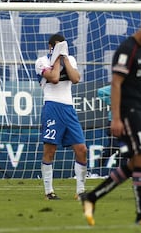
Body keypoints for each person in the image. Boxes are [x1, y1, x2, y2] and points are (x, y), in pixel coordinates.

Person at [80, 13, 141, 227]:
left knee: (137, 163)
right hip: (127, 114)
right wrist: (116, 118)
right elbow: (117, 84)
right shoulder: (127, 50)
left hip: (138, 112)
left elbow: (137, 88)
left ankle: (92, 197)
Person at [35, 34, 87, 200]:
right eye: (58, 46)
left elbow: (76, 78)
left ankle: (80, 191)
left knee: (81, 149)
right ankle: (49, 191)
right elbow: (55, 78)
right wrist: (56, 58)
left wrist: (64, 57)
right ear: (50, 46)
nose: (61, 49)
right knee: (50, 150)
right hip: (52, 107)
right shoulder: (41, 62)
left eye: (63, 46)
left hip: (69, 109)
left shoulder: (70, 59)